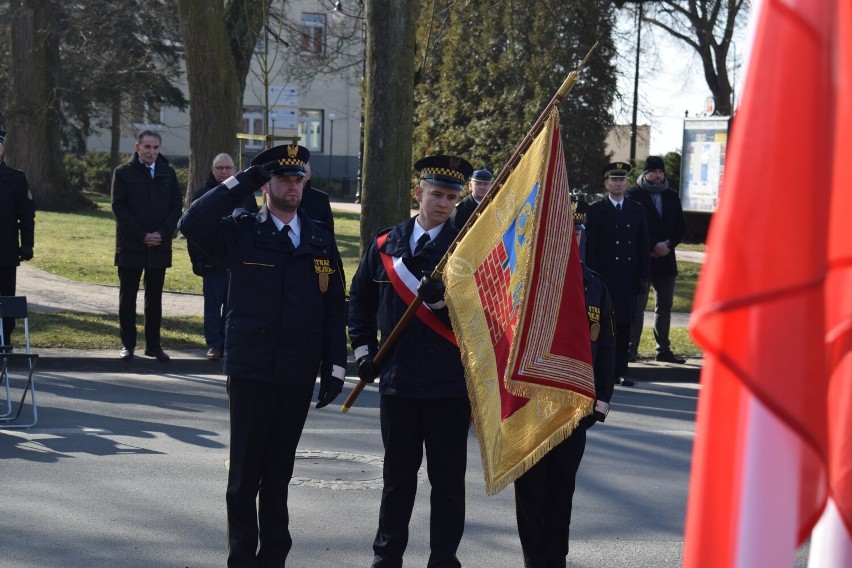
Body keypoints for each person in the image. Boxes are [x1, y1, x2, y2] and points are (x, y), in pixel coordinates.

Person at [179, 143, 347, 567]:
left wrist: (336, 366)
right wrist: (246, 177)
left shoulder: (319, 239)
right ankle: (241, 557)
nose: (292, 186)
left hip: (296, 370)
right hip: (252, 368)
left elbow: (332, 308)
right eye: (283, 178)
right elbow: (191, 222)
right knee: (244, 476)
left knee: (278, 474)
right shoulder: (241, 230)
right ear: (267, 183)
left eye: (298, 178)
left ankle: (274, 557)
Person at [349, 154, 474, 568]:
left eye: (452, 197)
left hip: (449, 387)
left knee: (448, 483)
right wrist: (364, 351)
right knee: (397, 480)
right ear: (418, 193)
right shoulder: (387, 245)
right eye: (436, 194)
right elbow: (360, 303)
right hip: (399, 383)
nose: (443, 204)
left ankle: (443, 560)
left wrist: (441, 304)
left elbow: (483, 319)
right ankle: (386, 559)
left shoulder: (465, 252)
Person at [514, 197, 615, 568]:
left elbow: (606, 346)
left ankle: (556, 559)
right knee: (530, 491)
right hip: (531, 405)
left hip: (574, 407)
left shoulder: (594, 285)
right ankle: (534, 561)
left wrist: (600, 401)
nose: (569, 238)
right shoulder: (526, 281)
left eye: (575, 232)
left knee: (561, 490)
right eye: (561, 232)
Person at [111, 130, 182, 362]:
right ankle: (128, 345)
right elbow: (119, 208)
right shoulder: (123, 173)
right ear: (137, 147)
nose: (152, 152)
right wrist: (142, 235)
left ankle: (153, 345)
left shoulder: (168, 173)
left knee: (154, 299)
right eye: (147, 147)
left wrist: (161, 233)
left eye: (156, 147)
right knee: (128, 297)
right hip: (131, 245)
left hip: (159, 246)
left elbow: (175, 209)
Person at [187, 153, 259, 361]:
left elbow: (253, 226)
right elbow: (193, 231)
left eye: (228, 168)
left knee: (233, 307)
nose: (224, 172)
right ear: (212, 169)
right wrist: (197, 261)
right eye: (220, 168)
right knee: (212, 306)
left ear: (234, 169)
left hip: (237, 263)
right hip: (211, 262)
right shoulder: (202, 195)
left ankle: (230, 344)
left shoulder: (245, 195)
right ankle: (213, 345)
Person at [584, 162, 649, 387]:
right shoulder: (595, 210)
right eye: (614, 180)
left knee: (623, 326)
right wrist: (589, 277)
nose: (618, 183)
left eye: (621, 180)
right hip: (603, 278)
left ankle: (621, 370)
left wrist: (643, 276)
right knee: (600, 325)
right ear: (606, 183)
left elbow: (642, 244)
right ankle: (600, 371)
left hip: (627, 277)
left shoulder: (637, 209)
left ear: (627, 183)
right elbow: (590, 247)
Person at [626, 155, 688, 364]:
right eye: (654, 171)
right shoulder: (633, 195)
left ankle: (663, 349)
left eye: (661, 171)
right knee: (637, 306)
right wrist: (653, 246)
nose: (658, 175)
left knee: (665, 306)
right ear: (646, 173)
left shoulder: (671, 196)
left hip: (667, 259)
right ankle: (630, 350)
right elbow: (633, 226)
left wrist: (667, 246)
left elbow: (680, 226)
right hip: (644, 259)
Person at [0, 130, 36, 348]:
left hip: (5, 249)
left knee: (6, 299)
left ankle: (4, 340)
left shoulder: (15, 178)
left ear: (2, 149)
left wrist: (27, 244)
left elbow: (26, 215)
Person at [451, 164, 493, 229]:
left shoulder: (496, 203)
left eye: (486, 184)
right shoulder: (460, 210)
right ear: (470, 186)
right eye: (478, 184)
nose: (482, 187)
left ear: (491, 186)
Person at [300, 162, 335, 230]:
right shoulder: (279, 196)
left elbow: (329, 233)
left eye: (302, 171)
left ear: (309, 175)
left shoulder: (321, 199)